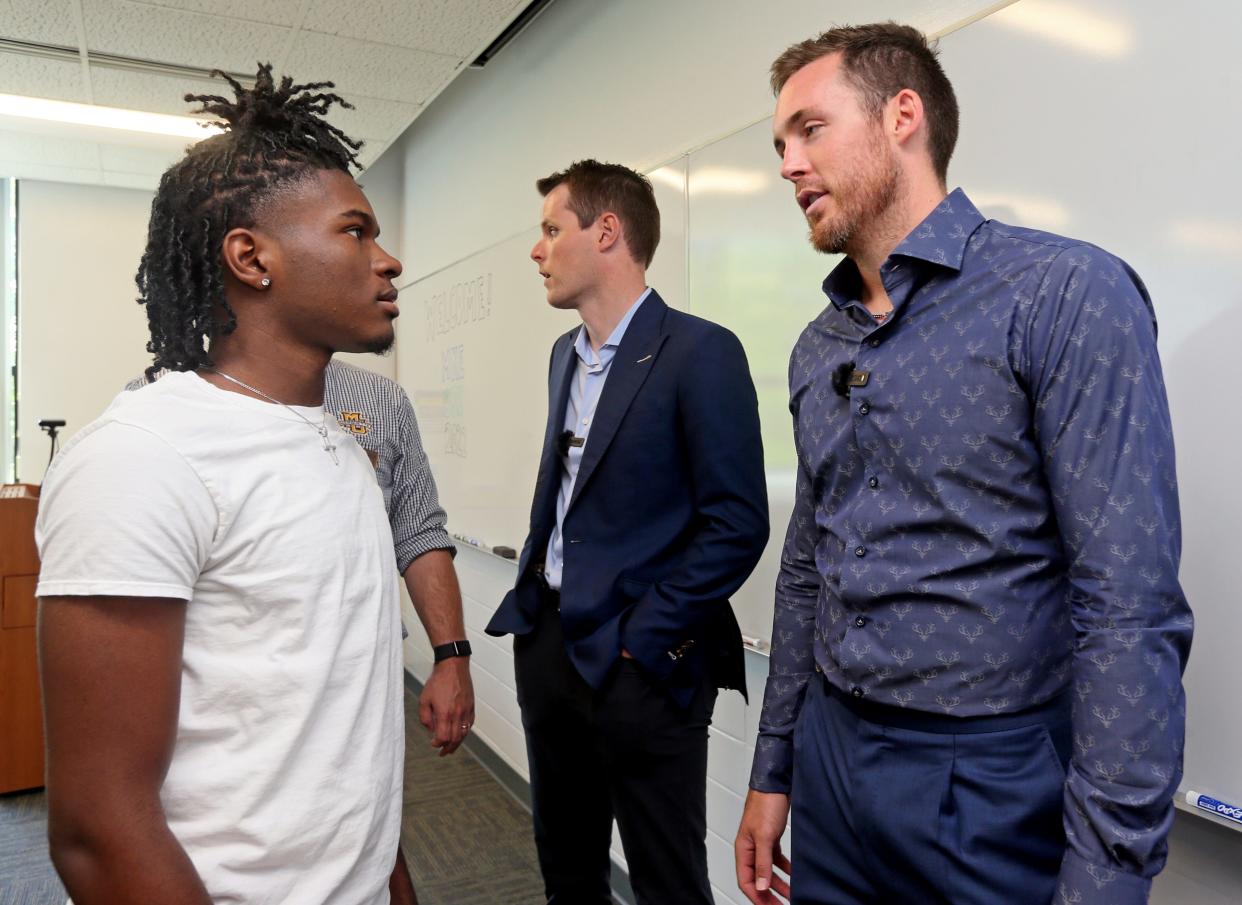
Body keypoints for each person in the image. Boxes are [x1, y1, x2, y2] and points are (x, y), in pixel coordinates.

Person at [736, 23, 1192, 905]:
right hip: (831, 762)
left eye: (810, 130)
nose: (788, 163)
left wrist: (1106, 875)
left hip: (987, 776)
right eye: (779, 145)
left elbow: (1128, 605)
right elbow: (806, 572)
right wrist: (776, 767)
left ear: (902, 115)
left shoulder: (1062, 295)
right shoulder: (815, 346)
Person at [36, 65, 418, 903]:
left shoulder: (336, 445)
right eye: (356, 231)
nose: (387, 260)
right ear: (252, 257)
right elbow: (99, 828)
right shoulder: (141, 456)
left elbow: (344, 732)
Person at [486, 159, 769, 904]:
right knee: (568, 865)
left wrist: (643, 635)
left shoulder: (700, 352)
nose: (537, 249)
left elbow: (737, 523)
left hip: (641, 663)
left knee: (665, 876)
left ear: (606, 231)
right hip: (548, 645)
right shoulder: (563, 356)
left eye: (552, 229)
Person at [126, 359, 477, 760]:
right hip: (229, 707)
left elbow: (417, 531)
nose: (386, 292)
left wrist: (452, 656)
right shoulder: (155, 403)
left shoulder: (381, 401)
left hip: (360, 690)